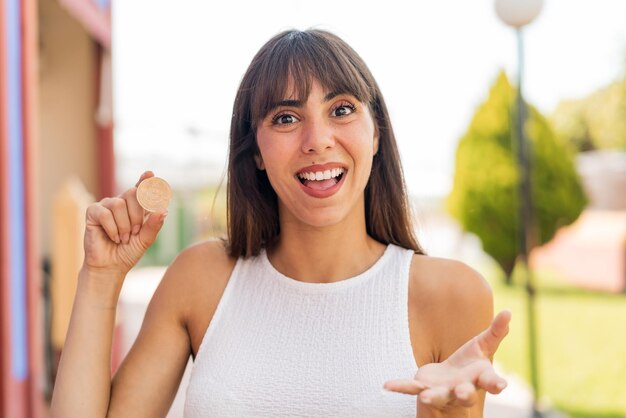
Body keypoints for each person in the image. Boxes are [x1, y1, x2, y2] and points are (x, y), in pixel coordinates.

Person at [51, 29, 511, 418]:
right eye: (286, 118)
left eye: (342, 109)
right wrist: (100, 278)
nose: (318, 140)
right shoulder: (201, 279)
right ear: (255, 153)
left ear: (376, 134)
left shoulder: (452, 295)